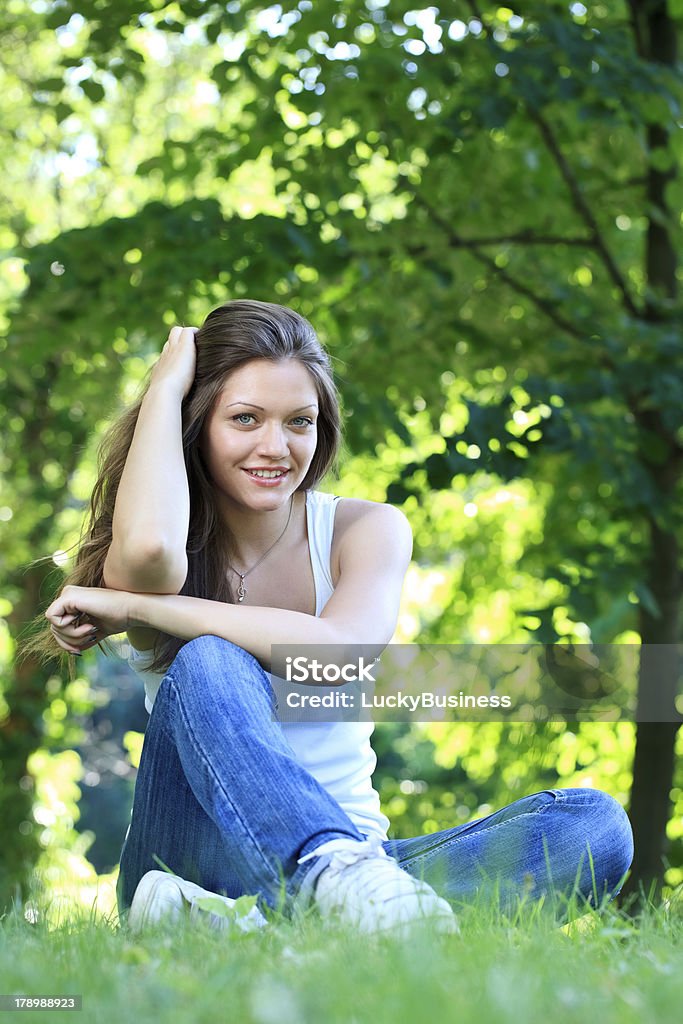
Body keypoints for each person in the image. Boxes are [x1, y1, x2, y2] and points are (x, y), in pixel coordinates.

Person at [40, 300, 633, 936]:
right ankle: (319, 897)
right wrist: (163, 387)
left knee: (592, 825)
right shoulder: (164, 548)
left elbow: (335, 657)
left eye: (300, 422)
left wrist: (132, 608)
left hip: (363, 865)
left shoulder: (366, 530)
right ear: (195, 425)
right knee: (210, 656)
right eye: (244, 419)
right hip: (190, 862)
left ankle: (262, 924)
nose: (276, 446)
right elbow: (151, 553)